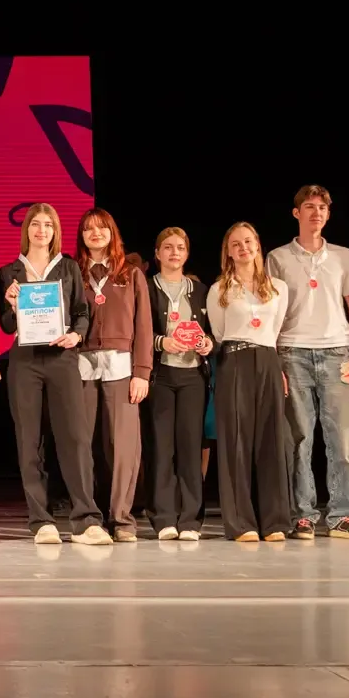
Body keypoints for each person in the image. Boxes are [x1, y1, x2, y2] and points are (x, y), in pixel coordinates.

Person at [266, 185, 349, 540]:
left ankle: (342, 515)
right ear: (296, 213)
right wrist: (274, 362)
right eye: (309, 207)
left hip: (337, 353)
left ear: (329, 214)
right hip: (292, 353)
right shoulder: (278, 257)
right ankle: (304, 515)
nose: (316, 213)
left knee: (341, 441)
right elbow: (270, 312)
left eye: (322, 208)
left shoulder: (344, 256)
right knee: (299, 440)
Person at [0, 203, 91, 546]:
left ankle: (86, 518)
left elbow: (81, 312)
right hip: (25, 359)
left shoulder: (68, 267)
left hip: (62, 355)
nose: (41, 230)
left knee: (75, 437)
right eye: (35, 224)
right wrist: (11, 304)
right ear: (26, 230)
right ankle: (41, 520)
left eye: (48, 225)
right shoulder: (9, 272)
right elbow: (7, 326)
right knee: (29, 440)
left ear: (55, 231)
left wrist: (77, 335)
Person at [207, 223, 294, 543]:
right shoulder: (220, 290)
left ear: (258, 245)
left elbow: (276, 329)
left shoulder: (278, 287)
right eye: (236, 244)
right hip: (235, 361)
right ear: (228, 252)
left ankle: (274, 521)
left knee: (272, 440)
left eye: (248, 241)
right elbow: (219, 333)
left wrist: (276, 367)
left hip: (267, 360)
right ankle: (241, 523)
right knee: (236, 442)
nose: (243, 247)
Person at [71, 208, 152, 544]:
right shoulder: (72, 272)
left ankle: (122, 518)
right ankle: (90, 516)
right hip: (80, 365)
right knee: (83, 444)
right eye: (88, 229)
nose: (95, 233)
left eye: (102, 227)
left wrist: (142, 372)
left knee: (123, 447)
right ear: (81, 236)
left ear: (112, 232)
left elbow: (144, 325)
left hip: (121, 367)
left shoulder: (130, 273)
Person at [144, 227, 215, 540]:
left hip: (192, 377)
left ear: (187, 254)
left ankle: (190, 521)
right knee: (161, 449)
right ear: (157, 253)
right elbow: (138, 331)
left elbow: (211, 331)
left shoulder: (200, 290)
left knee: (190, 448)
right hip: (160, 376)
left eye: (180, 248)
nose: (174, 253)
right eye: (168, 247)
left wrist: (207, 343)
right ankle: (164, 519)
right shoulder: (146, 288)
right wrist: (161, 342)